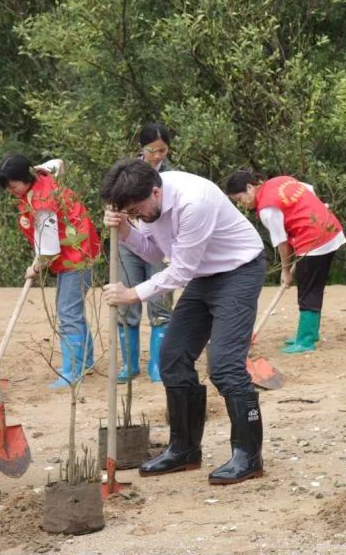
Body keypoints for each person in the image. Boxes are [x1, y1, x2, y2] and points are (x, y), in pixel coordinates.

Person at [100, 159, 267, 485]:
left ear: (156, 190)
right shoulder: (146, 204)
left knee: (225, 366)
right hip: (204, 275)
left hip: (239, 271)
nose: (138, 216)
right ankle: (184, 449)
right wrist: (125, 231)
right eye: (130, 212)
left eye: (138, 209)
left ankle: (249, 456)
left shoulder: (194, 202)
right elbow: (152, 252)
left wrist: (132, 294)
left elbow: (179, 272)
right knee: (173, 357)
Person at [0, 154, 100, 389]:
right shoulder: (43, 174)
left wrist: (35, 267)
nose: (11, 191)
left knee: (67, 314)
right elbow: (58, 162)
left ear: (25, 178)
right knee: (72, 311)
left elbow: (48, 249)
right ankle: (85, 362)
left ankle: (73, 371)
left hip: (75, 256)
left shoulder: (43, 203)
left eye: (13, 186)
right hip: (77, 253)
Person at [224, 170, 346, 353]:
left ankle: (305, 341)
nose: (243, 205)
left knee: (308, 289)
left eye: (241, 199)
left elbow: (281, 242)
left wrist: (285, 271)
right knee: (313, 285)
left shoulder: (267, 208)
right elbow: (309, 191)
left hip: (314, 241)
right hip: (329, 229)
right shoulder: (281, 181)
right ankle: (310, 333)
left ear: (250, 188)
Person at [114, 123, 176, 383]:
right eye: (154, 150)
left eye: (164, 150)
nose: (159, 155)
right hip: (128, 242)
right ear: (142, 148)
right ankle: (129, 365)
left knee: (160, 304)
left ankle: (157, 365)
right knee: (126, 302)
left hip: (160, 245)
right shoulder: (125, 173)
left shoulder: (171, 176)